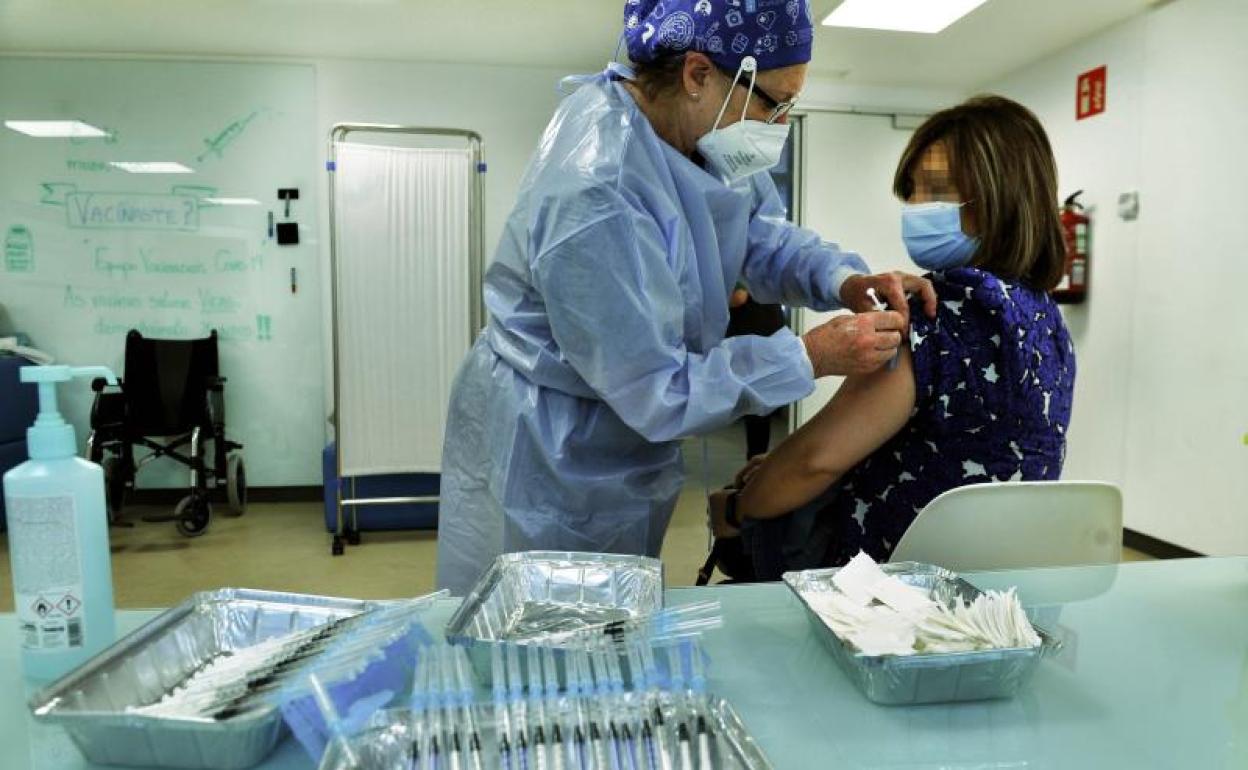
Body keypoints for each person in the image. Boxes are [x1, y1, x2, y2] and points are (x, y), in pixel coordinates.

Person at [435, 0, 937, 594]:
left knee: (616, 606)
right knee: (535, 615)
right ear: (698, 73)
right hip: (552, 445)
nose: (778, 126)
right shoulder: (595, 193)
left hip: (624, 432)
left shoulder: (703, 140)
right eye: (774, 104)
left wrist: (840, 279)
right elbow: (658, 388)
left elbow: (757, 234)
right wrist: (808, 356)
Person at [710, 95, 1077, 580]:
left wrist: (735, 510)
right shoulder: (1046, 319)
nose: (919, 209)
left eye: (939, 191)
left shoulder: (935, 312)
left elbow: (815, 461)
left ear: (999, 195)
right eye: (914, 192)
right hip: (999, 589)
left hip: (886, 595)